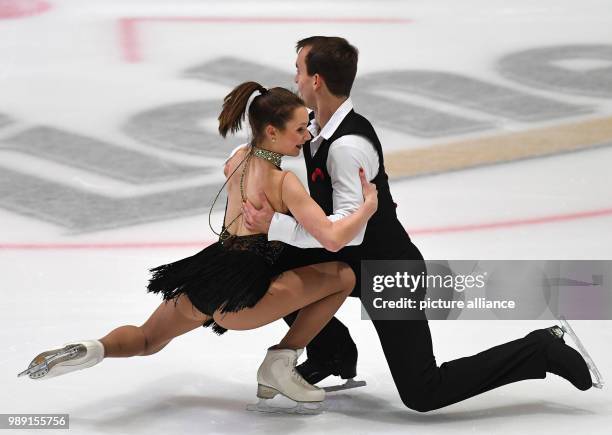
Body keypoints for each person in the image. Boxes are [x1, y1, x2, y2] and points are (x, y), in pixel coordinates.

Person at [242, 36, 598, 412]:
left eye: (298, 70)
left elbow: (346, 234)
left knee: (423, 392)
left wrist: (275, 225)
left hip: (387, 270)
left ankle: (540, 350)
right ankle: (332, 352)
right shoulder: (314, 128)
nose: (294, 79)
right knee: (259, 271)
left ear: (316, 81)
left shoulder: (347, 148)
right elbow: (274, 142)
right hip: (347, 263)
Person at [18, 81, 379, 409]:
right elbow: (331, 238)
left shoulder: (238, 160)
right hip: (245, 293)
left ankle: (95, 348)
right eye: (300, 129)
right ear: (273, 131)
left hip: (209, 273)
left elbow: (237, 161)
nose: (307, 135)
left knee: (147, 340)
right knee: (343, 275)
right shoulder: (285, 183)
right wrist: (366, 209)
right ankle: (280, 362)